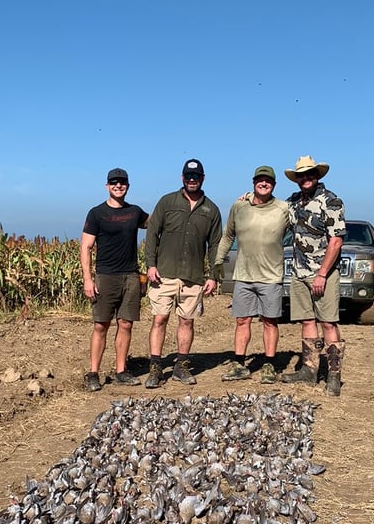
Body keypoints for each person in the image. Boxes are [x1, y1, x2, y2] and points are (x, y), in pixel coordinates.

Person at [143, 158, 222, 387]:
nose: (192, 180)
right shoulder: (167, 202)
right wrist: (150, 264)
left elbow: (215, 245)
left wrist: (213, 276)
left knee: (187, 321)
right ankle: (156, 368)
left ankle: (181, 366)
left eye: (196, 177)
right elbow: (152, 234)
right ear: (182, 178)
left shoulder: (211, 209)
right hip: (164, 273)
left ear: (202, 179)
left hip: (193, 276)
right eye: (188, 176)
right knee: (160, 319)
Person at [214, 165, 290, 384]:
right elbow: (228, 236)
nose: (263, 183)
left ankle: (269, 364)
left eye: (267, 180)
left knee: (270, 321)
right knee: (242, 320)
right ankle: (239, 363)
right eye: (259, 180)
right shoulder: (239, 206)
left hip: (271, 276)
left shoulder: (283, 208)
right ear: (253, 183)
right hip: (244, 275)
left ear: (274, 185)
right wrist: (218, 260)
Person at [281, 155, 346, 396]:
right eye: (301, 175)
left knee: (328, 322)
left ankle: (333, 375)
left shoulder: (331, 201)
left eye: (309, 174)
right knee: (307, 321)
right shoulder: (294, 202)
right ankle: (308, 370)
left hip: (323, 274)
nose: (305, 178)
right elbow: (274, 211)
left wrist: (322, 274)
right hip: (299, 272)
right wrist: (250, 199)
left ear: (317, 176)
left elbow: (336, 240)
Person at [80, 167, 149, 392]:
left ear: (128, 186)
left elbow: (159, 222)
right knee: (101, 325)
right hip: (105, 276)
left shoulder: (135, 212)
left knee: (126, 323)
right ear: (107, 186)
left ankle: (121, 371)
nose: (118, 186)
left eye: (122, 183)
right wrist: (88, 280)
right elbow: (86, 247)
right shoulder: (96, 213)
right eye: (114, 183)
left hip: (130, 275)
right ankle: (93, 373)